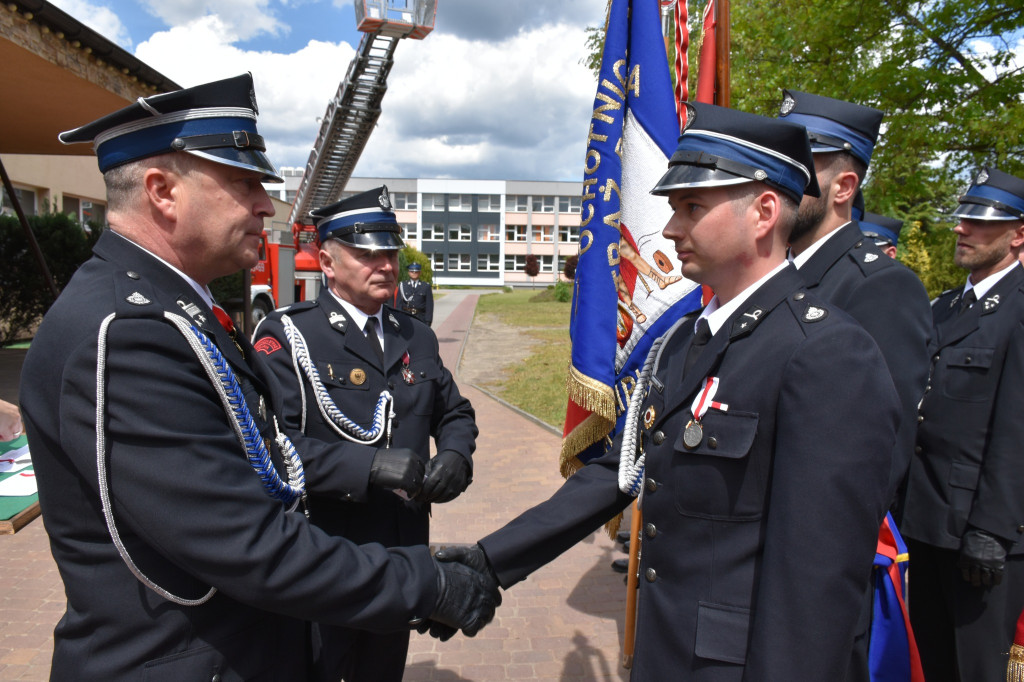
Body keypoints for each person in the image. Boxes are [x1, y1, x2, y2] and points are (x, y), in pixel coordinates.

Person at [18, 73, 497, 681]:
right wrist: (423, 583)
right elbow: (246, 542)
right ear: (163, 192)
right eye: (245, 184)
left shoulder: (173, 311)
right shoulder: (130, 330)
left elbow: (264, 455)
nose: (266, 206)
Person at [438, 102, 901, 679]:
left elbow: (816, 582)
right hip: (667, 652)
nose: (672, 228)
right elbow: (623, 470)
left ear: (762, 212)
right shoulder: (685, 340)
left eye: (692, 207)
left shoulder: (827, 353)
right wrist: (491, 561)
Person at [252, 186, 476, 681]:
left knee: (382, 670)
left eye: (390, 251)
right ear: (327, 263)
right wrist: (368, 466)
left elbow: (454, 411)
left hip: (403, 546)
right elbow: (271, 449)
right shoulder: (289, 335)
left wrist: (457, 455)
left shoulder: (414, 334)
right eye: (366, 252)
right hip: (329, 550)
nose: (385, 264)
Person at [779, 89, 932, 509]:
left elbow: (873, 463)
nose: (774, 181)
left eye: (795, 169)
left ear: (844, 187)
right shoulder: (777, 274)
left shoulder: (881, 287)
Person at [900, 166, 1024, 682]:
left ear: (1019, 234)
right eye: (962, 218)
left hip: (982, 530)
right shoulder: (948, 307)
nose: (960, 228)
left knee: (979, 671)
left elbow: (1018, 430)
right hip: (929, 521)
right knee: (937, 663)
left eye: (981, 221)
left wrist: (992, 530)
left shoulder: (1017, 311)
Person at [396, 261, 433, 326]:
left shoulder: (425, 286)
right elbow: (399, 304)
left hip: (421, 318)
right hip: (406, 317)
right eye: (412, 272)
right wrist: (399, 318)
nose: (414, 273)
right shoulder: (403, 285)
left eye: (416, 272)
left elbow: (429, 305)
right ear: (408, 273)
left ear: (420, 273)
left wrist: (428, 321)